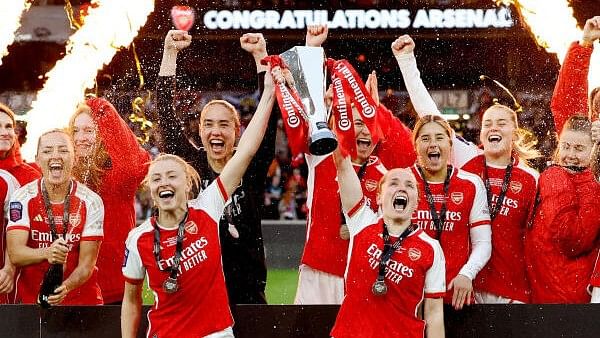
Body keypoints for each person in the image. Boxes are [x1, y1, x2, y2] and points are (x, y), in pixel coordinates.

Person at [121, 66, 276, 338]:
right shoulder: (139, 238)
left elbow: (254, 143)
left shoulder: (208, 206)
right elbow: (130, 298)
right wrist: (169, 57)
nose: (166, 182)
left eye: (171, 176)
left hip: (244, 293)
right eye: (157, 178)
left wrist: (269, 87)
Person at [393, 35, 539, 304]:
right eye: (487, 124)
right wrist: (406, 61)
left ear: (515, 133)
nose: (493, 127)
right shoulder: (468, 158)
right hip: (466, 285)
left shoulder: (532, 179)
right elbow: (429, 115)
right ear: (481, 134)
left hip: (512, 288)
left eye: (501, 123)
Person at [293, 25, 417, 304]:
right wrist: (312, 47)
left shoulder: (388, 174)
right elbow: (307, 107)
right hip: (319, 273)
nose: (363, 131)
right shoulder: (324, 154)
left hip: (364, 275)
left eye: (370, 125)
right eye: (357, 123)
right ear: (342, 126)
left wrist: (379, 109)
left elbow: (412, 151)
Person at [155, 29, 276, 304]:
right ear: (199, 131)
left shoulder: (250, 164)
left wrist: (260, 56)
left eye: (224, 124)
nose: (215, 131)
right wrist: (170, 54)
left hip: (247, 292)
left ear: (237, 130)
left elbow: (268, 120)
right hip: (199, 289)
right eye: (208, 124)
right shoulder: (192, 166)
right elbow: (165, 116)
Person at [330, 147, 445, 338]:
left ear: (416, 202)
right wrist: (342, 119)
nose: (401, 187)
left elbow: (433, 313)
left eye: (409, 185)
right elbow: (342, 164)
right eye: (393, 183)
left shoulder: (430, 248)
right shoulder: (362, 222)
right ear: (378, 197)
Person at [6, 129, 104, 305]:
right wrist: (47, 252)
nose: (56, 155)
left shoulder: (91, 201)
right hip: (32, 302)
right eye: (47, 150)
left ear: (74, 157)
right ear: (37, 159)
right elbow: (15, 254)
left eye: (63, 150)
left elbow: (87, 265)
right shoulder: (22, 198)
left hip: (82, 301)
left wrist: (65, 287)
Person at [67, 96, 150, 304]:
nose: (80, 137)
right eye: (75, 131)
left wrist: (97, 105)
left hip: (115, 288)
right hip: (73, 287)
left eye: (89, 130)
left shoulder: (116, 177)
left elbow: (135, 163)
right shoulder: (64, 177)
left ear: (102, 134)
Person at [410, 115, 492, 310]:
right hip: (411, 297)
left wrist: (467, 274)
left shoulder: (470, 184)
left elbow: (483, 242)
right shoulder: (403, 181)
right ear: (415, 145)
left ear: (450, 143)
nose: (433, 144)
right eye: (425, 138)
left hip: (455, 294)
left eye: (439, 137)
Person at [0, 103, 41, 304]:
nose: (5, 132)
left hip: (18, 281)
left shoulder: (31, 175)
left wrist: (9, 267)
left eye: (9, 127)